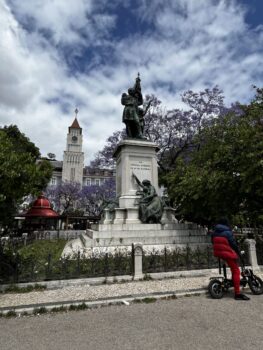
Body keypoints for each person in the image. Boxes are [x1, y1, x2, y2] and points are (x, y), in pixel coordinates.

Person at [211, 218, 250, 300]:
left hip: (219, 253)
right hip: (227, 253)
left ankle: (232, 281)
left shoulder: (214, 233)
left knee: (233, 268)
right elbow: (233, 244)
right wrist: (238, 252)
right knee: (236, 270)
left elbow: (213, 242)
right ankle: (237, 293)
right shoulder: (228, 232)